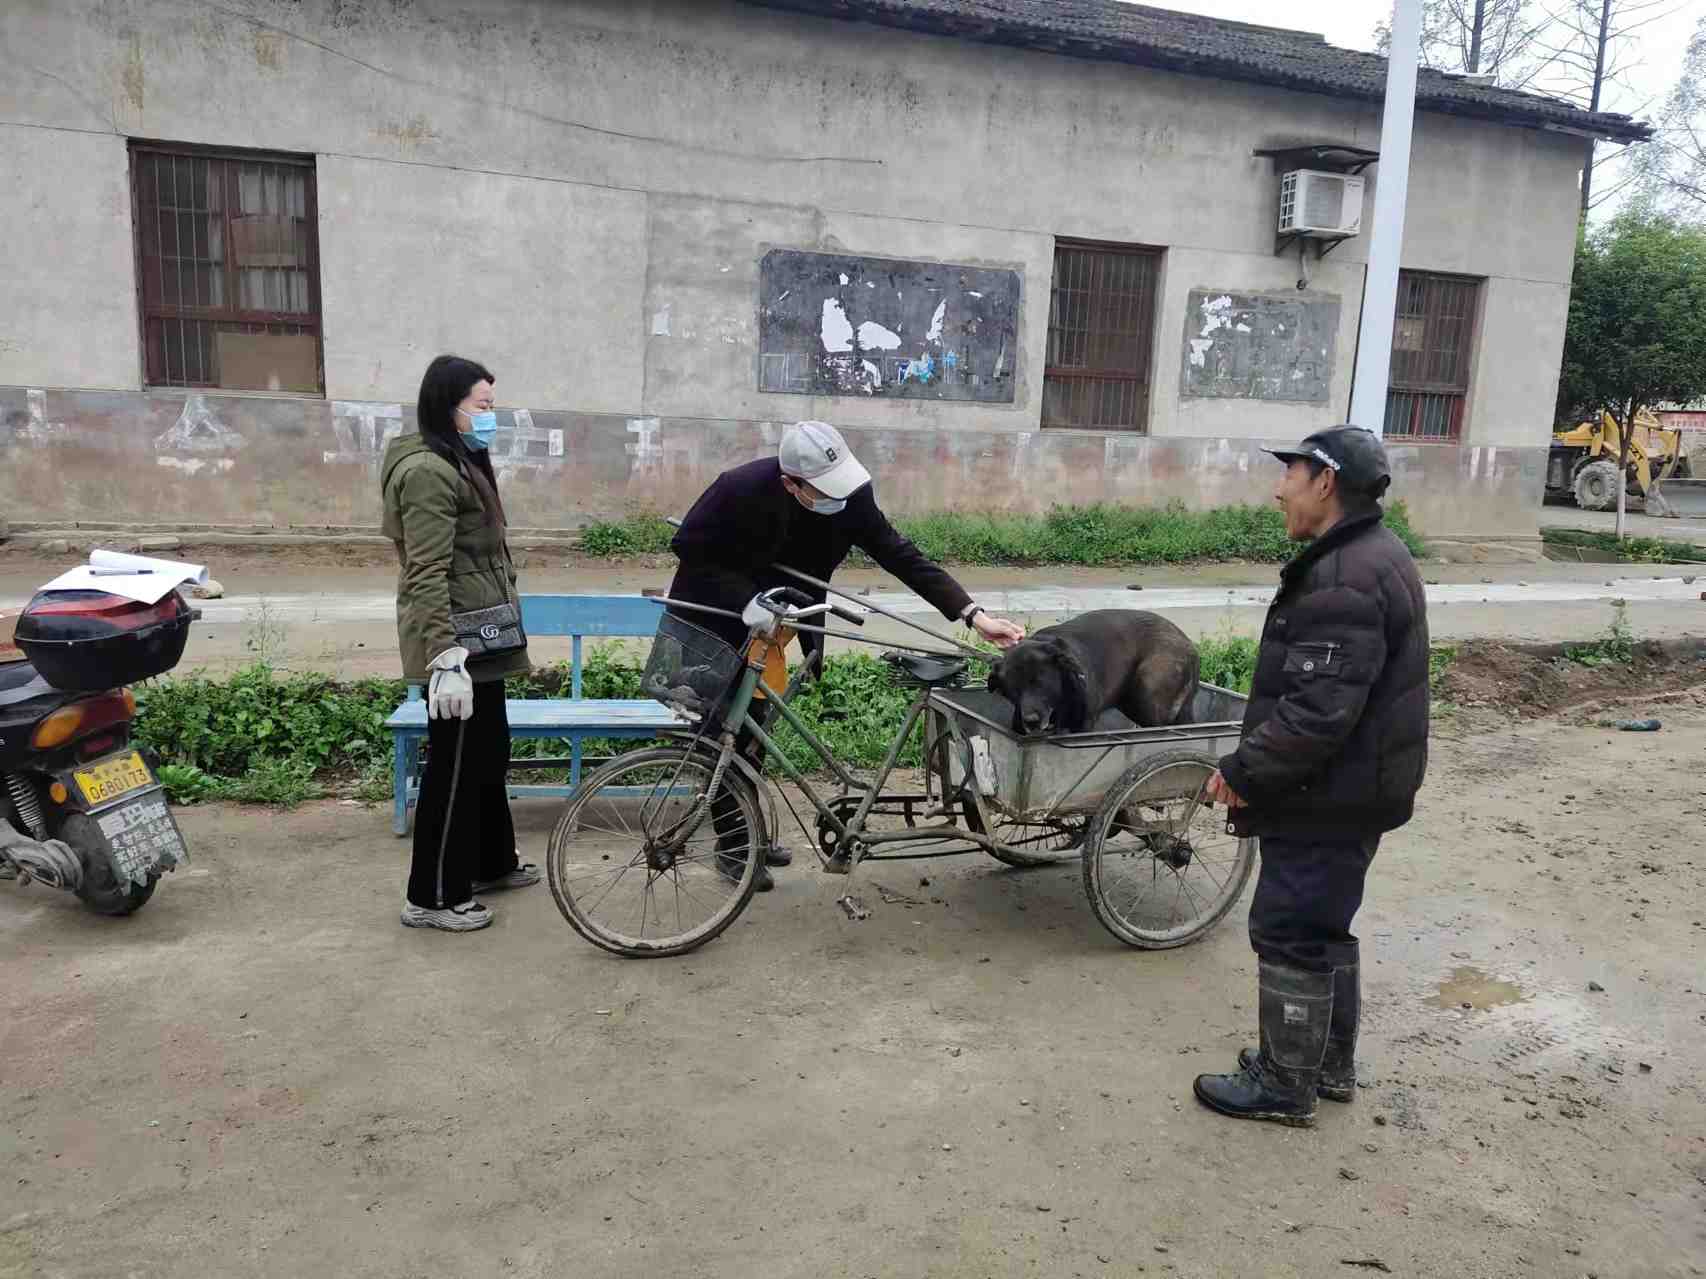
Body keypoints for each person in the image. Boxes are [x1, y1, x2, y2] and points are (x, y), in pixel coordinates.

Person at [668, 420, 1027, 891]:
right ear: (791, 484)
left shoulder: (851, 494)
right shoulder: (738, 489)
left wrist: (973, 615)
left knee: (754, 729)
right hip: (715, 621)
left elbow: (899, 554)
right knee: (723, 734)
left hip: (775, 623)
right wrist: (744, 599)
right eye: (823, 490)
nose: (837, 496)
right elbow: (688, 547)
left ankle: (749, 832)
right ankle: (735, 848)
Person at [1192, 426, 1429, 1126]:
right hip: (1358, 786)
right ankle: (1325, 1065)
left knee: (1289, 926)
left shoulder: (1345, 575)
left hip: (1329, 793)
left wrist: (1245, 769)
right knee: (1324, 927)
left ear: (1325, 482)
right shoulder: (1375, 554)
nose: (1278, 489)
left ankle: (1284, 1083)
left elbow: (1318, 710)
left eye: (1289, 474)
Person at [381, 356, 539, 933]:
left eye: (492, 405)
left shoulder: (459, 458)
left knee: (489, 751)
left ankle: (489, 862)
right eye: (482, 405)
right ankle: (432, 896)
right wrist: (444, 658)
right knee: (454, 767)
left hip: (482, 632)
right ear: (447, 406)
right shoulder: (428, 471)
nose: (491, 415)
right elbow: (424, 571)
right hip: (456, 642)